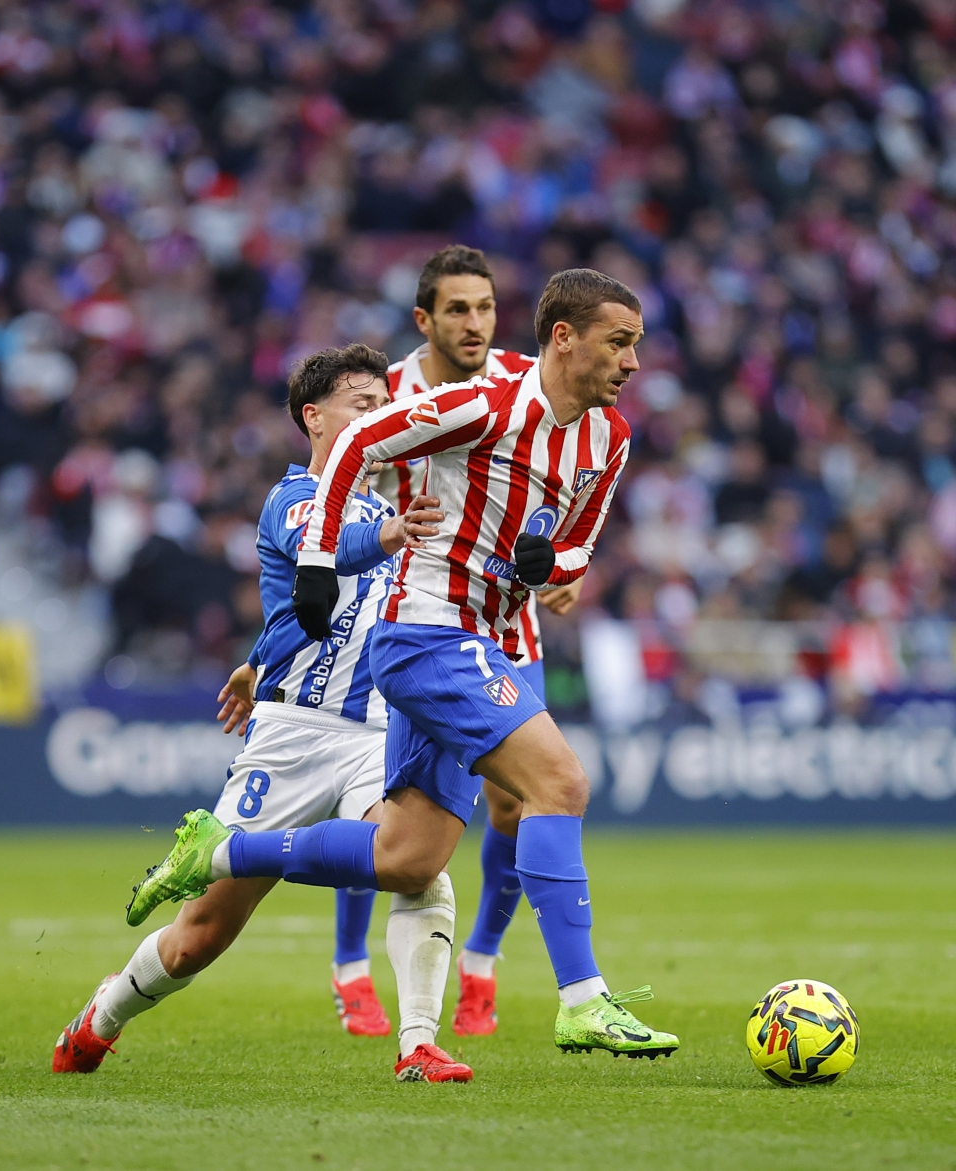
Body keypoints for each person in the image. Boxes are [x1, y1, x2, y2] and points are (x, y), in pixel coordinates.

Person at [127, 269, 680, 1060]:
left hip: (484, 636)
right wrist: (319, 559)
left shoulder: (610, 439)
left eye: (637, 345)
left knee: (408, 858)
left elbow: (578, 549)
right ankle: (582, 999)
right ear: (565, 337)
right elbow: (358, 441)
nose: (633, 362)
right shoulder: (487, 402)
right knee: (560, 782)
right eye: (620, 342)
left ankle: (218, 851)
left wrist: (546, 561)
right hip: (426, 633)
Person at [53, 343, 473, 1084]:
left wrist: (255, 655)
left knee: (419, 867)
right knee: (199, 936)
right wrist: (387, 536)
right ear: (314, 418)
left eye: (386, 407)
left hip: (378, 730)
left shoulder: (395, 504)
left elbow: (325, 607)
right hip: (294, 736)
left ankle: (418, 1043)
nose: (382, 419)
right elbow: (331, 553)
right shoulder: (297, 498)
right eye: (363, 406)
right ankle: (101, 1017)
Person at [379, 244, 585, 1036]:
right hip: (413, 618)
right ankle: (353, 972)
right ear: (424, 318)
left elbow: (565, 513)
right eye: (458, 309)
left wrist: (566, 565)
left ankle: (483, 961)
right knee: (387, 811)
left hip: (507, 623)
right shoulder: (391, 392)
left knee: (512, 802)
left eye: (487, 307)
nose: (476, 323)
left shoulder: (520, 382)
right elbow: (348, 485)